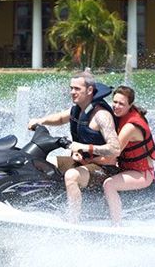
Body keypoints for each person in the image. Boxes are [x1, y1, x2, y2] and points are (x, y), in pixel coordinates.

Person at [27, 70, 120, 222]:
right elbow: (59, 118)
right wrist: (40, 121)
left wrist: (85, 148)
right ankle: (42, 204)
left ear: (90, 90)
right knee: (43, 163)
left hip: (103, 169)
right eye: (71, 88)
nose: (72, 92)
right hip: (82, 162)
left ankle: (73, 221)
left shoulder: (101, 115)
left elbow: (115, 149)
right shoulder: (78, 108)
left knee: (72, 176)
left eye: (77, 89)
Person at [102, 85, 155, 225]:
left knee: (109, 185)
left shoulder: (130, 127)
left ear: (130, 105)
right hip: (127, 169)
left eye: (121, 104)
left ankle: (116, 225)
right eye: (114, 102)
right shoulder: (120, 116)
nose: (116, 106)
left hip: (142, 173)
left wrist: (88, 153)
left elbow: (112, 154)